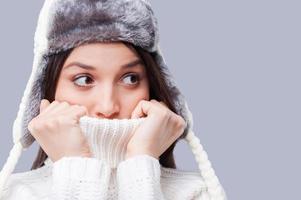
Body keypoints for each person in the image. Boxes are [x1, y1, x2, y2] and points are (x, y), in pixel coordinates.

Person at [0, 0, 227, 199]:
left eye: (130, 78)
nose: (108, 107)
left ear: (153, 87)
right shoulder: (15, 193)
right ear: (48, 90)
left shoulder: (196, 193)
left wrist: (141, 162)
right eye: (84, 79)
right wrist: (76, 168)